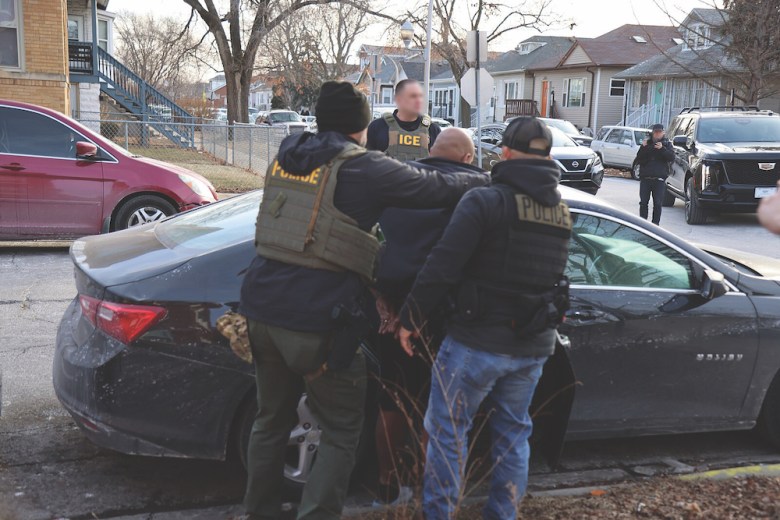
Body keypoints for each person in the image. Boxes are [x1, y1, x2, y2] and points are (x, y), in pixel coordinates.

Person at [239, 81, 487, 520]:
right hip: (314, 317)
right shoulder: (362, 166)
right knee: (340, 428)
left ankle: (257, 512)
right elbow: (434, 186)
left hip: (259, 307)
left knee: (269, 421)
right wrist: (490, 179)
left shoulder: (287, 156)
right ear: (362, 126)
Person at [397, 117, 572, 520]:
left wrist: (411, 317)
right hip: (532, 347)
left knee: (447, 433)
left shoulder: (485, 200)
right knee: (513, 434)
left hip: (475, 344)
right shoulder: (560, 212)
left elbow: (442, 266)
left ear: (505, 153)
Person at [371, 128, 486, 507]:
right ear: (467, 159)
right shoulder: (472, 191)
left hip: (392, 303)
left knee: (392, 400)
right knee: (436, 405)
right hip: (442, 308)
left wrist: (381, 298)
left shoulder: (402, 183)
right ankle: (426, 489)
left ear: (431, 150)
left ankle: (387, 483)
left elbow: (375, 240)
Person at [366, 79, 441, 160]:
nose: (419, 101)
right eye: (413, 96)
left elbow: (441, 166)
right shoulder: (378, 127)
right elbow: (367, 164)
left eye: (420, 96)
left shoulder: (433, 130)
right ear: (398, 99)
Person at [636, 123, 674, 225]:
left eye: (659, 132)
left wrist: (662, 149)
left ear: (663, 133)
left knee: (657, 204)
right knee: (643, 203)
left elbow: (671, 157)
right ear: (653, 133)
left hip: (659, 179)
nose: (657, 134)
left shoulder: (666, 144)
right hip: (646, 178)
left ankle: (655, 225)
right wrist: (643, 148)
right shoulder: (647, 143)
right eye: (656, 132)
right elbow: (638, 159)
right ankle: (643, 224)